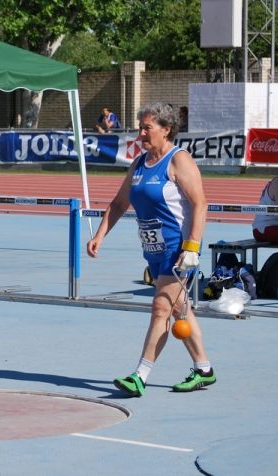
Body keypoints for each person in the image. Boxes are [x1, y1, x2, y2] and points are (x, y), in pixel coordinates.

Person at [86, 102, 215, 397]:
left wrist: (192, 247)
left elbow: (200, 204)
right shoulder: (140, 163)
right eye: (139, 127)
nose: (141, 133)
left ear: (166, 130)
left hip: (177, 251)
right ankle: (204, 369)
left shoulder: (178, 160)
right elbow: (120, 203)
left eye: (147, 128)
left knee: (161, 309)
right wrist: (100, 235)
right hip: (153, 250)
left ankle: (139, 375)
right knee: (181, 309)